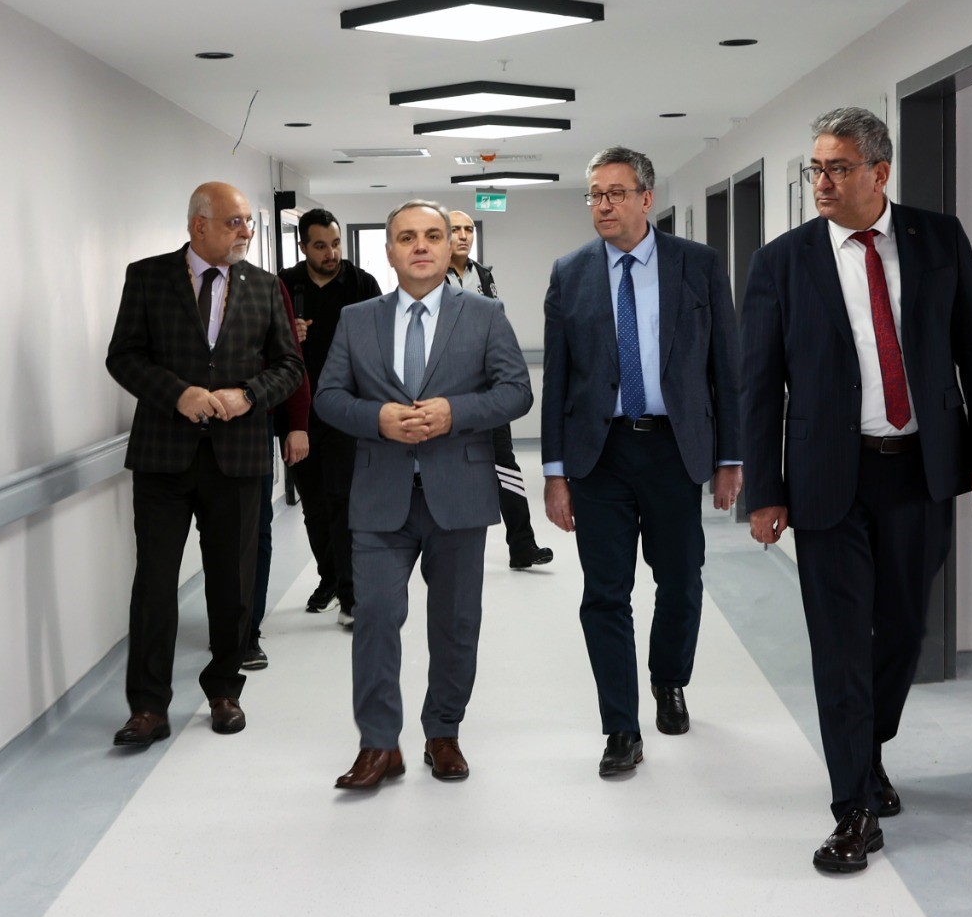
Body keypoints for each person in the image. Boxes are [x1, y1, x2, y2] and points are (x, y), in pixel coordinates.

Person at [740, 107, 972, 874]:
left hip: (919, 470)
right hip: (828, 475)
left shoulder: (938, 240)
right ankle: (853, 807)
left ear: (879, 173)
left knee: (902, 630)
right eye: (815, 169)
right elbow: (759, 384)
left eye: (837, 168)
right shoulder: (782, 262)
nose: (822, 183)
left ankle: (867, 745)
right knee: (837, 645)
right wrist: (765, 490)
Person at [311, 200, 532, 791]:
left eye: (433, 235)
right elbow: (328, 397)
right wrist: (376, 418)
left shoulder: (484, 314)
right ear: (388, 251)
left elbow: (516, 391)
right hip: (380, 495)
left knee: (455, 623)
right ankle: (379, 744)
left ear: (449, 245)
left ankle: (443, 732)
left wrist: (455, 412)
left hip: (459, 492)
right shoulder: (357, 319)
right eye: (407, 237)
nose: (421, 246)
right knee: (376, 619)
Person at [539, 148, 743, 779]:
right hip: (599, 455)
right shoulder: (570, 272)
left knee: (681, 580)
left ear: (646, 198)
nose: (603, 205)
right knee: (605, 593)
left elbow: (726, 368)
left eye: (616, 193)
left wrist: (730, 458)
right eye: (594, 194)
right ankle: (620, 727)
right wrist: (554, 472)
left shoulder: (698, 265)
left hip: (673, 449)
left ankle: (669, 679)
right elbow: (558, 379)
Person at [104, 182, 304, 746]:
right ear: (199, 225)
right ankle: (148, 707)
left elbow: (290, 366)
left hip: (237, 458)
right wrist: (178, 394)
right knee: (154, 584)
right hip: (163, 458)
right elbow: (123, 357)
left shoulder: (264, 286)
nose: (246, 232)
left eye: (248, 222)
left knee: (233, 584)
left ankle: (224, 691)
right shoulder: (148, 277)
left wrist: (249, 395)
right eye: (235, 221)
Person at [281, 208, 383, 628]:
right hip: (299, 413)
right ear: (303, 246)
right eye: (321, 246)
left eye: (336, 243)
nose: (331, 253)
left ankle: (351, 594)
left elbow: (383, 341)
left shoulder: (362, 284)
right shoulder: (283, 286)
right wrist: (287, 335)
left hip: (346, 410)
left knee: (342, 500)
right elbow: (262, 347)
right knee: (314, 505)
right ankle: (330, 578)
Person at [446, 208, 553, 571]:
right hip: (451, 392)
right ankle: (451, 551)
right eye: (455, 229)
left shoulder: (483, 275)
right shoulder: (432, 276)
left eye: (468, 229)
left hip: (490, 389)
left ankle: (523, 546)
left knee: (505, 465)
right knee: (452, 469)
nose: (464, 235)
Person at [240, 280, 312, 671]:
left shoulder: (266, 287)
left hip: (253, 422)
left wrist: (297, 423)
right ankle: (227, 624)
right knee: (219, 534)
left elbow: (291, 358)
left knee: (255, 529)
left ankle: (247, 632)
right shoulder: (175, 282)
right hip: (193, 428)